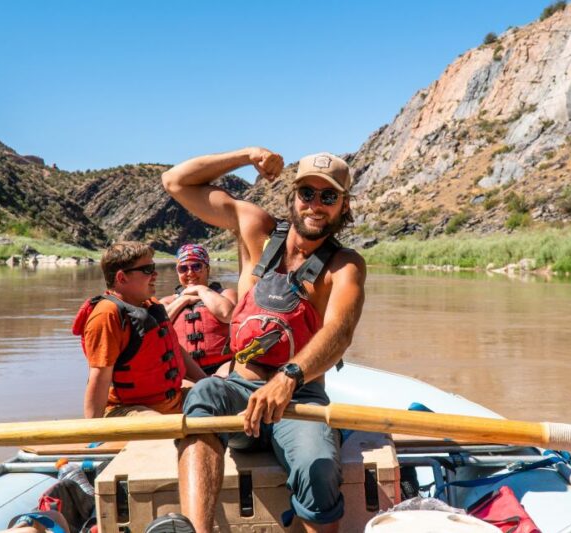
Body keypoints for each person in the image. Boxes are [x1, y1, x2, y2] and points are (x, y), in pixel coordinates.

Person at [161, 148, 366, 533]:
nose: (315, 205)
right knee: (204, 393)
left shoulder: (345, 265)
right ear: (293, 196)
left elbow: (338, 333)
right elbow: (175, 182)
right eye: (307, 193)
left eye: (328, 196)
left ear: (344, 205)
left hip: (299, 399)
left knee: (318, 470)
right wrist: (246, 155)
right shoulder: (256, 229)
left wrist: (288, 378)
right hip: (238, 389)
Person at [72, 241, 206, 418]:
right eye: (147, 269)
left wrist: (206, 381)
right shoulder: (106, 315)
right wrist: (93, 434)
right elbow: (99, 379)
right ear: (122, 278)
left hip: (172, 401)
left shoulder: (151, 304)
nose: (155, 274)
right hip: (126, 409)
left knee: (222, 395)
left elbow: (176, 351)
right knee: (159, 424)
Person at [159, 244, 237, 376]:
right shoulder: (167, 302)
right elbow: (157, 329)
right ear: (178, 272)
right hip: (185, 371)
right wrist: (183, 299)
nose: (190, 273)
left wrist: (200, 289)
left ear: (207, 269)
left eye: (196, 266)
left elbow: (227, 314)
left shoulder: (226, 294)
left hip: (224, 367)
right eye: (183, 268)